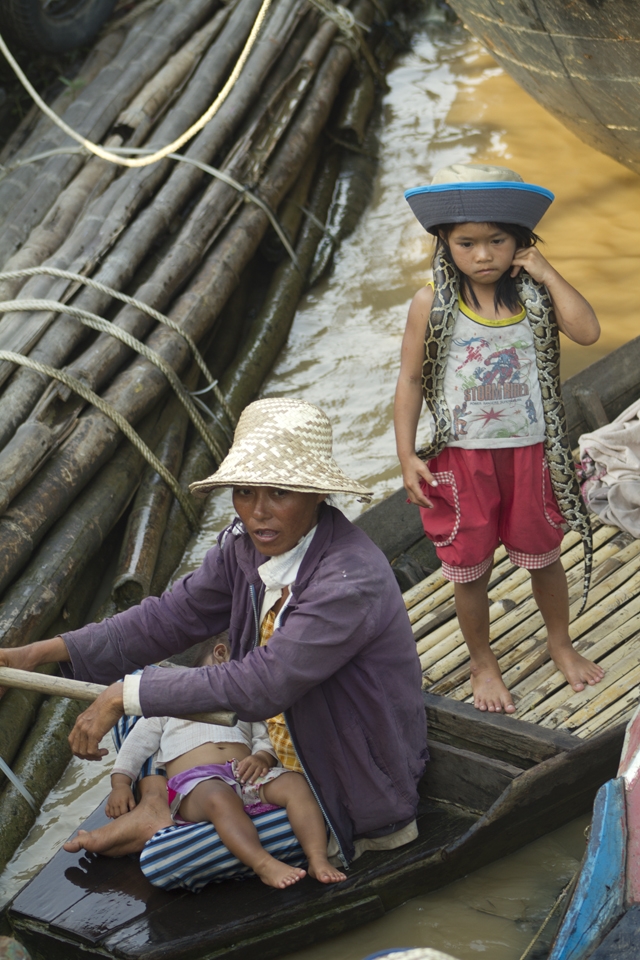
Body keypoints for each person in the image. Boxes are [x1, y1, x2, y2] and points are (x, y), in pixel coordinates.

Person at [2, 397, 427, 890]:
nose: (258, 512)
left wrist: (123, 692)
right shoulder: (245, 547)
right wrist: (34, 654)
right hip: (259, 741)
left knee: (164, 861)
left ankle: (163, 821)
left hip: (336, 776)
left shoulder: (348, 580)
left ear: (315, 493)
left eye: (279, 493)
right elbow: (167, 619)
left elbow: (264, 683)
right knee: (135, 717)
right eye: (244, 492)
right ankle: (164, 802)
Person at [395, 163, 605, 716]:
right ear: (445, 242)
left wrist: (549, 272)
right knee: (471, 568)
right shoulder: (431, 304)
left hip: (533, 451)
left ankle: (560, 642)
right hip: (461, 457)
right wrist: (405, 454)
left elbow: (587, 331)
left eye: (497, 241)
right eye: (467, 243)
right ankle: (482, 661)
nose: (483, 255)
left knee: (543, 558)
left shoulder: (533, 295)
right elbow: (411, 380)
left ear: (520, 242)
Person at [80, 635, 345, 888]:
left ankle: (318, 858)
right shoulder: (168, 703)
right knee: (219, 797)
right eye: (248, 665)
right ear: (220, 654)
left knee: (295, 784)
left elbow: (264, 735)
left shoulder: (243, 701)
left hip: (243, 776)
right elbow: (136, 745)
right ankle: (263, 864)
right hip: (196, 784)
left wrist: (262, 756)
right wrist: (121, 784)